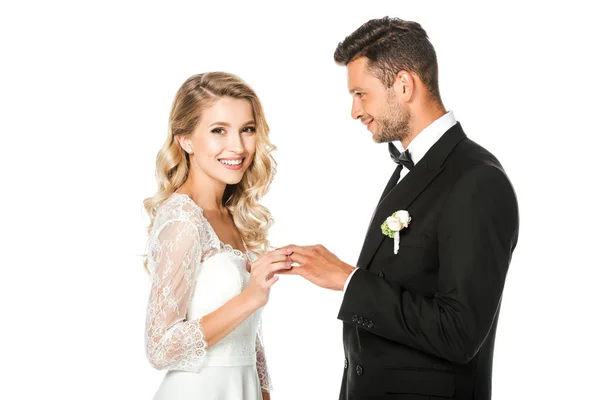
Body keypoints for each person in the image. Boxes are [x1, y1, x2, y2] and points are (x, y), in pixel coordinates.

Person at [279, 17, 519, 400]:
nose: (354, 111)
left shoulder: (477, 180)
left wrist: (348, 280)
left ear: (404, 85)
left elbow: (459, 333)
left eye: (361, 93)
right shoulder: (414, 169)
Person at [143, 72, 290, 399]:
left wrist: (264, 393)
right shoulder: (184, 217)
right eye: (218, 130)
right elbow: (160, 348)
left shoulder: (230, 215)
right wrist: (251, 296)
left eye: (247, 130)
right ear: (185, 139)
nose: (237, 146)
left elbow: (247, 337)